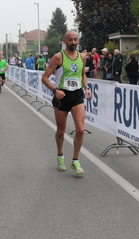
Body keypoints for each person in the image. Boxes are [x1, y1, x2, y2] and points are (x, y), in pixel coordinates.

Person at [41, 30, 92, 175]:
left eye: (76, 39)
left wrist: (86, 88)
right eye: (70, 40)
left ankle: (75, 160)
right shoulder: (58, 57)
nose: (73, 42)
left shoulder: (82, 57)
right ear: (65, 41)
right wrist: (54, 90)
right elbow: (44, 77)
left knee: (80, 130)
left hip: (76, 95)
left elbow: (82, 74)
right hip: (62, 96)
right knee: (61, 131)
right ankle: (60, 155)